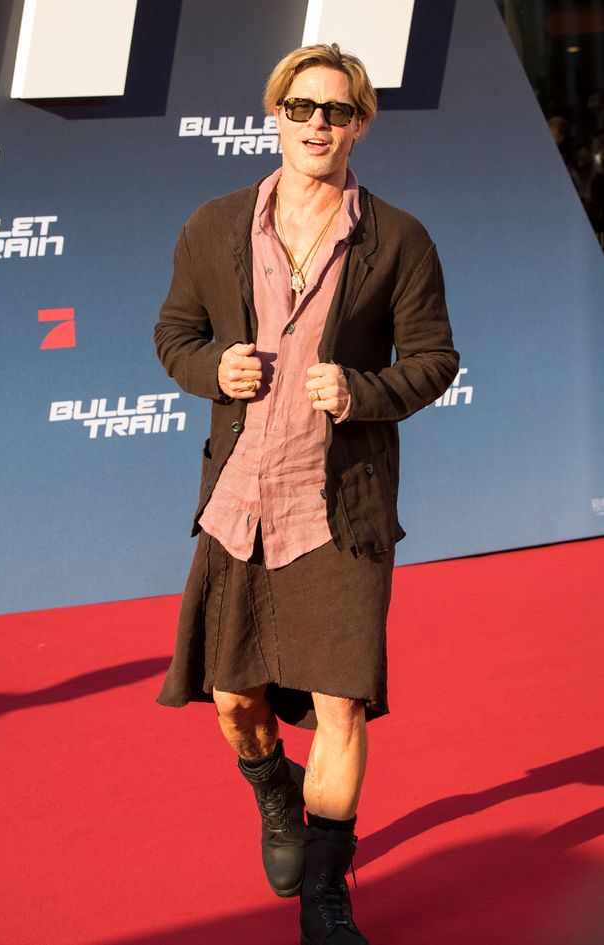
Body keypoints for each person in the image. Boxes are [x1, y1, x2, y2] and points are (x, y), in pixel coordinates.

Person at [154, 42, 458, 945]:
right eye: (302, 107)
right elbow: (174, 334)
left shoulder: (398, 238)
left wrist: (363, 390)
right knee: (234, 701)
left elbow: (436, 359)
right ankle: (272, 790)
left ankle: (327, 896)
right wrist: (217, 366)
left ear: (361, 122)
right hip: (240, 500)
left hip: (342, 510)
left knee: (342, 703)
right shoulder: (212, 225)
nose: (318, 123)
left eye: (336, 109)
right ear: (274, 113)